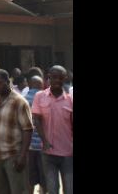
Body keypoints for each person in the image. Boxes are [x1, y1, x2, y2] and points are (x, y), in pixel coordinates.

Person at [0, 69, 33, 194]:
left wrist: (23, 155)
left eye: (0, 83)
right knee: (1, 191)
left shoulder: (19, 102)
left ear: (8, 82)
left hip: (14, 155)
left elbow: (28, 129)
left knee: (18, 190)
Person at [31, 65, 73, 194]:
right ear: (48, 78)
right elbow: (36, 119)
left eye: (60, 78)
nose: (57, 80)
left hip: (68, 153)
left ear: (64, 79)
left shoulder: (70, 100)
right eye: (54, 77)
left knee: (69, 189)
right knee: (52, 189)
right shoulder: (40, 96)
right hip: (48, 153)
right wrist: (45, 140)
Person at [24, 76, 47, 194]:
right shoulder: (45, 98)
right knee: (45, 177)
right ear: (41, 85)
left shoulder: (23, 99)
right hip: (44, 144)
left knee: (29, 178)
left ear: (30, 84)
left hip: (28, 145)